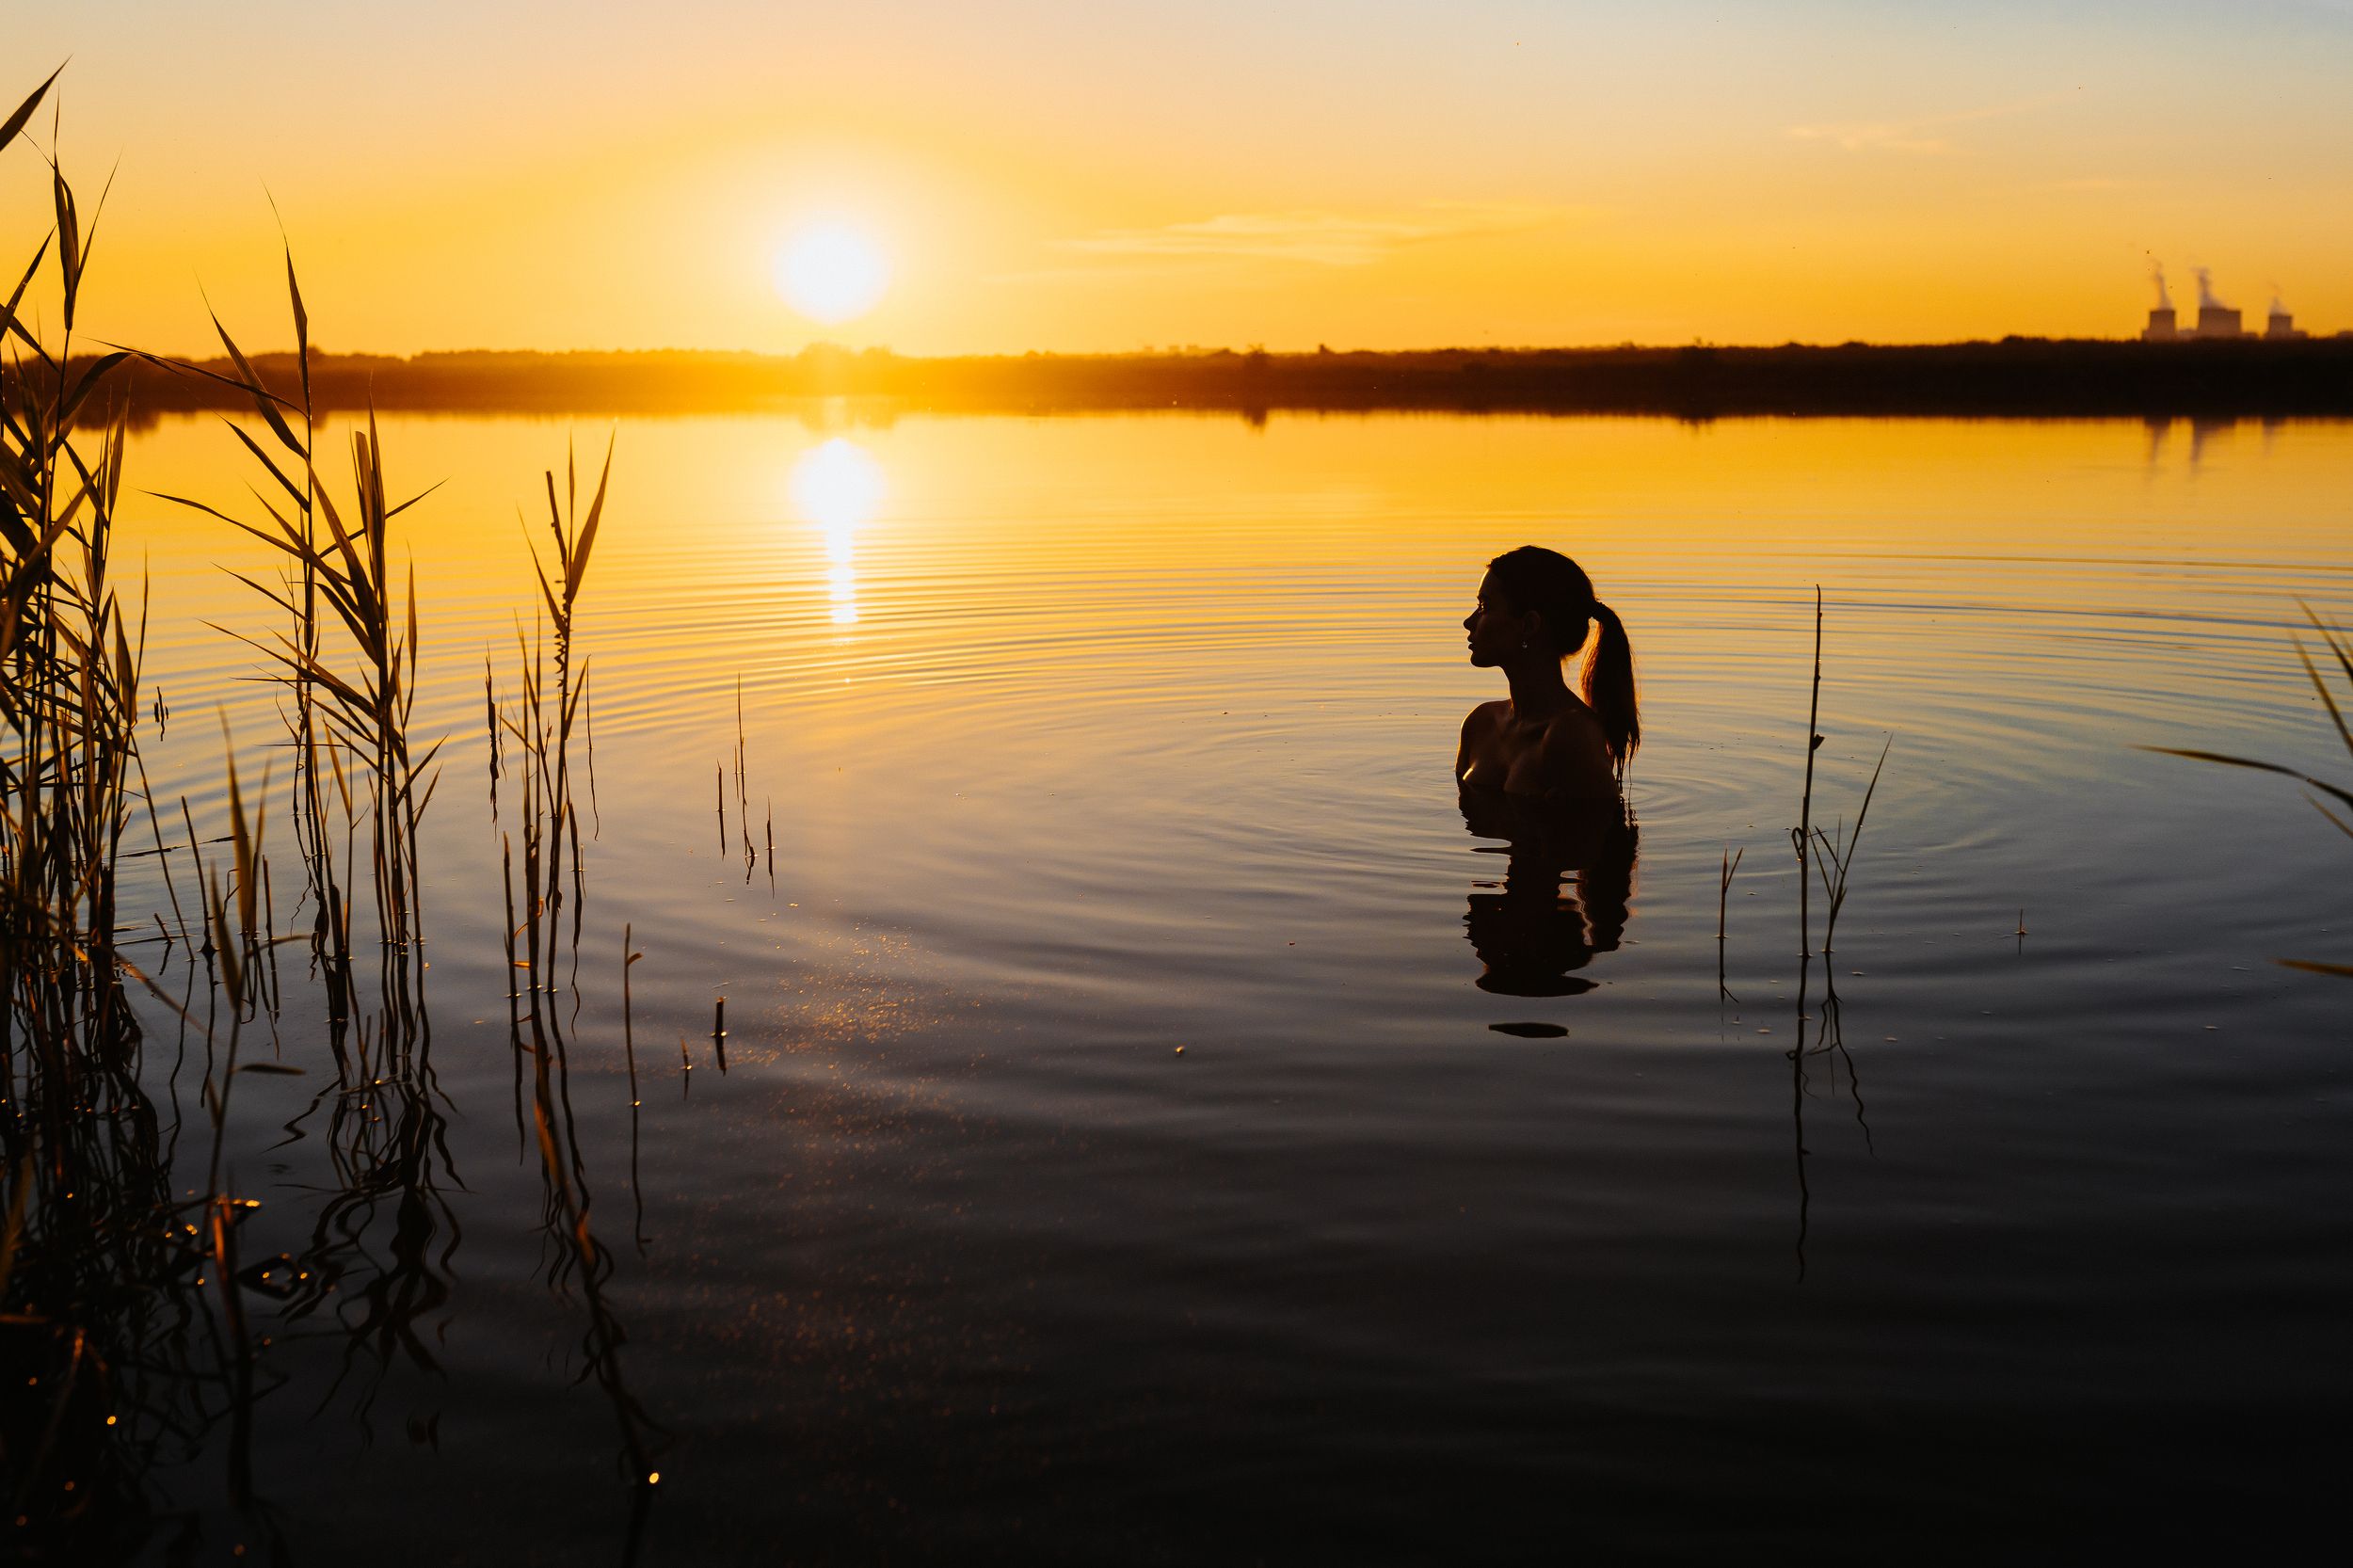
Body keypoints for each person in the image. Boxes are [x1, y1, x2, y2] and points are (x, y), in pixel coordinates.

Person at [1455, 546, 1640, 799]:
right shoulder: (1479, 724)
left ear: (1529, 625)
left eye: (1484, 606)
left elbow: (1602, 834)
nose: (1469, 622)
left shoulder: (1572, 736)